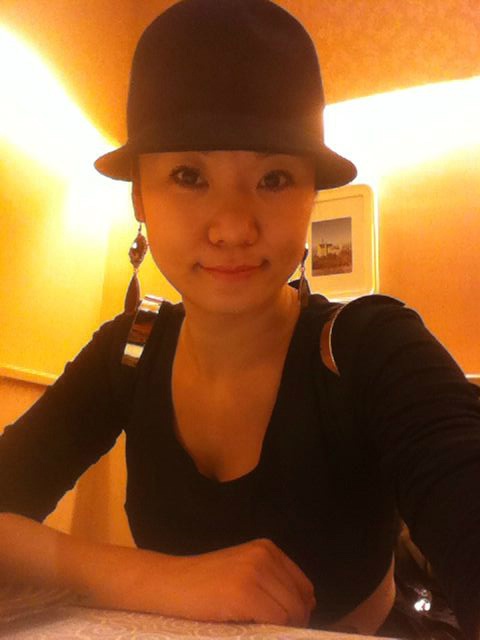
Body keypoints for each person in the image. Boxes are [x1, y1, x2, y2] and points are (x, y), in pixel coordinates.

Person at [1, 1, 479, 638]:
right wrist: (159, 578)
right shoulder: (130, 349)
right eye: (188, 175)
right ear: (140, 196)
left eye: (274, 178)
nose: (233, 227)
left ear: (312, 196)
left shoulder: (371, 345)